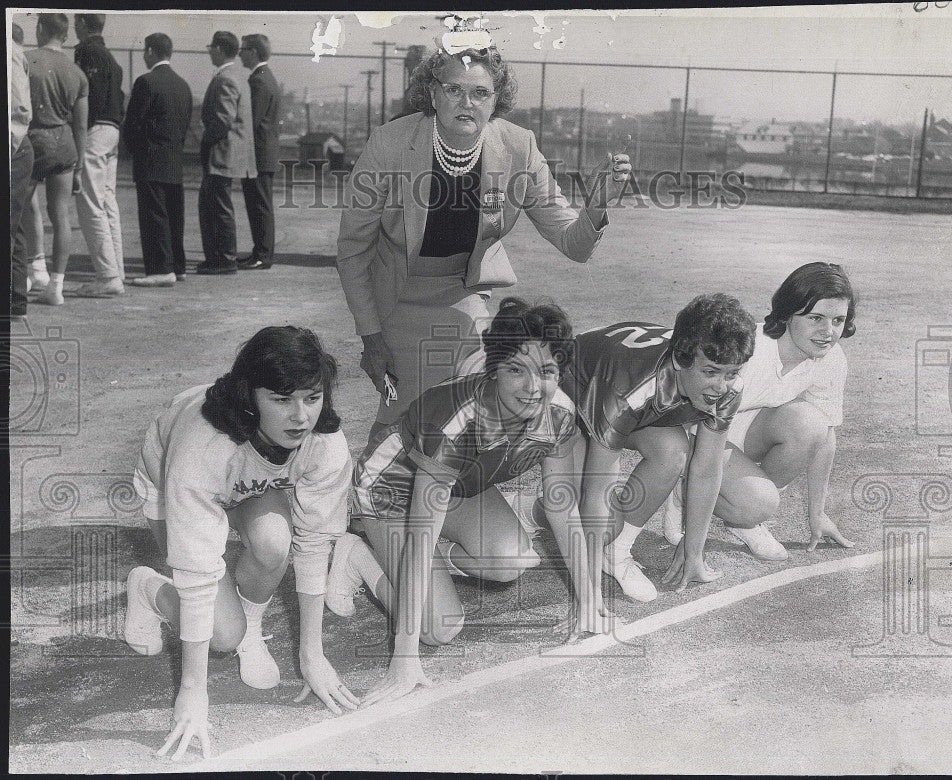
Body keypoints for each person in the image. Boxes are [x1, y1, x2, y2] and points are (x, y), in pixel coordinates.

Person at [336, 40, 631, 441]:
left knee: (466, 409)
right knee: (403, 414)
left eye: (480, 93)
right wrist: (370, 337)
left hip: (463, 291)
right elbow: (353, 251)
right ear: (433, 93)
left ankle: (446, 493)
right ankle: (372, 493)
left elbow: (573, 244)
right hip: (398, 294)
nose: (467, 102)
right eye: (453, 89)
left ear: (496, 100)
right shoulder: (390, 143)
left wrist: (597, 204)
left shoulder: (518, 147)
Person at [328, 299, 613, 704]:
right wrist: (403, 658)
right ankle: (359, 555)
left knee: (512, 561)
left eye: (546, 371)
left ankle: (414, 563)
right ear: (493, 369)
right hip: (389, 492)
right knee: (438, 629)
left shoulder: (560, 416)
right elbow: (421, 537)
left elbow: (562, 509)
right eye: (517, 369)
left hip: (457, 486)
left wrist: (590, 602)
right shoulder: (457, 423)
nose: (533, 387)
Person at [125, 326, 359, 761]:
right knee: (219, 636)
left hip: (249, 480)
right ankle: (150, 590)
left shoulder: (325, 442)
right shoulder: (204, 445)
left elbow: (313, 545)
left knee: (275, 542)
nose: (301, 417)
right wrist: (192, 692)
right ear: (251, 395)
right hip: (172, 483)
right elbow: (199, 570)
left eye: (312, 397)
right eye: (281, 399)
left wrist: (313, 655)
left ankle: (251, 628)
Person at [549, 294, 756, 602]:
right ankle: (534, 509)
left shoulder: (724, 384)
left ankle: (616, 554)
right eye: (710, 371)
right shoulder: (631, 388)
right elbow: (597, 494)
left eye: (731, 372)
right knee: (599, 523)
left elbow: (707, 467)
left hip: (622, 402)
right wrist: (589, 599)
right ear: (679, 359)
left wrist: (693, 550)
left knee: (674, 450)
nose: (721, 386)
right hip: (569, 396)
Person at [662, 262, 858, 558]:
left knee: (812, 425)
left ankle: (735, 513)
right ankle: (698, 493)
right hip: (688, 427)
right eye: (816, 317)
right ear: (788, 313)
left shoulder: (831, 359)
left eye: (838, 320)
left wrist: (816, 514)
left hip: (733, 426)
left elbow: (825, 438)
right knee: (759, 501)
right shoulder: (750, 350)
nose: (827, 331)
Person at [19, 13, 88, 306]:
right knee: (60, 216)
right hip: (63, 144)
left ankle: (27, 271)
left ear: (40, 28)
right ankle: (55, 287)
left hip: (32, 141)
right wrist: (80, 166)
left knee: (19, 209)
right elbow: (81, 124)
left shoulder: (26, 59)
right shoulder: (77, 72)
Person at [122, 33, 193, 287]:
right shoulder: (183, 85)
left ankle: (160, 269)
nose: (143, 55)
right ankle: (177, 266)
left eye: (144, 50)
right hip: (174, 160)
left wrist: (133, 150)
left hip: (150, 159)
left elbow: (132, 124)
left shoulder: (146, 82)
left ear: (151, 51)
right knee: (174, 217)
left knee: (153, 216)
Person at [72, 13, 126, 298]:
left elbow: (86, 100)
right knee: (107, 203)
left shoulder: (86, 51)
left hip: (95, 131)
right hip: (113, 129)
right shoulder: (110, 57)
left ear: (81, 23)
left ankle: (107, 276)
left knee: (91, 205)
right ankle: (116, 271)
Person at [197, 30, 255, 275]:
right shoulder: (237, 75)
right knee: (215, 205)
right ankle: (218, 257)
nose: (209, 51)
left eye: (211, 47)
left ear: (219, 49)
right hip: (227, 153)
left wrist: (206, 142)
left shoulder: (226, 78)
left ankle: (225, 259)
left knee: (218, 207)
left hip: (222, 154)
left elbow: (223, 120)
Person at [237, 33, 280, 271]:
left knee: (259, 205)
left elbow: (249, 120)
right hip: (264, 154)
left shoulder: (259, 80)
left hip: (258, 155)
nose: (240, 53)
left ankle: (263, 254)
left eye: (243, 49)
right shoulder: (265, 77)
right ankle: (260, 252)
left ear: (253, 52)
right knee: (259, 204)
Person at [9, 23, 34, 320]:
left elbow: (19, 111)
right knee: (14, 226)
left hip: (14, 147)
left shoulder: (11, 52)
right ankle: (15, 300)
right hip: (17, 146)